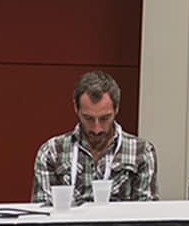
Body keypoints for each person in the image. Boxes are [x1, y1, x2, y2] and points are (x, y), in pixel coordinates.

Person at [32, 71, 158, 203]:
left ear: (117, 109)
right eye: (88, 118)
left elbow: (146, 215)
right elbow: (43, 215)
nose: (96, 129)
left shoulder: (142, 152)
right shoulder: (52, 152)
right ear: (76, 108)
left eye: (105, 118)